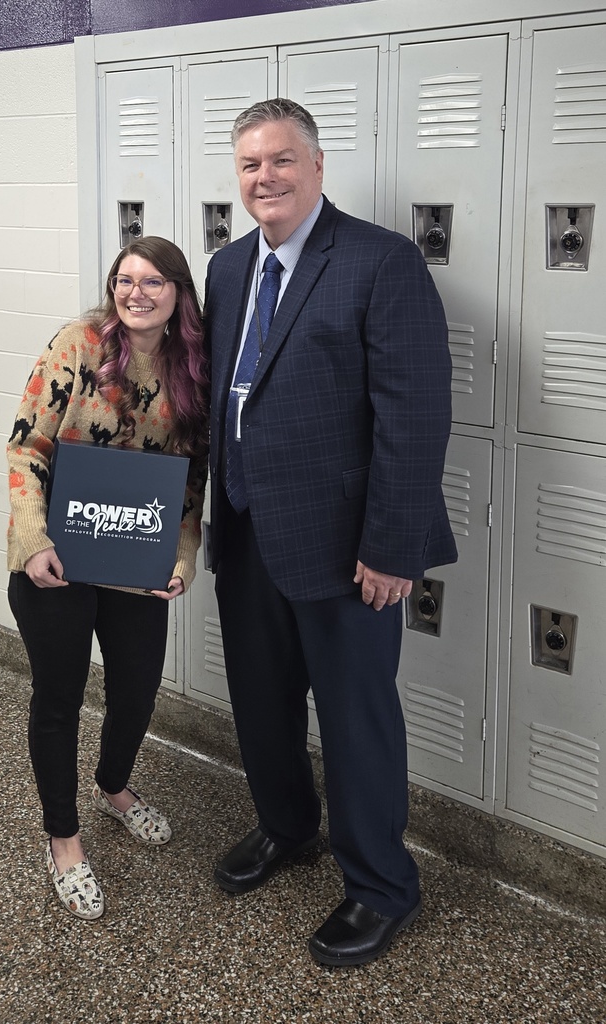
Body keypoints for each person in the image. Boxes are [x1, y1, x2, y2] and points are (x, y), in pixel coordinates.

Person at [203, 98, 457, 966]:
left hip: (347, 547)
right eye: (248, 166)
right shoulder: (230, 267)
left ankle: (382, 887)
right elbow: (222, 400)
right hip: (245, 532)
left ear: (316, 168)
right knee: (262, 708)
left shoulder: (380, 262)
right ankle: (287, 829)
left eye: (279, 161)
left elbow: (414, 418)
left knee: (357, 722)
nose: (262, 178)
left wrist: (393, 546)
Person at [6, 236, 209, 920]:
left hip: (133, 563)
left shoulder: (193, 368)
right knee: (59, 698)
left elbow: (190, 483)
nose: (135, 293)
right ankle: (63, 840)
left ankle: (114, 786)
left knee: (135, 691)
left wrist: (180, 557)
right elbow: (26, 443)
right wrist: (32, 538)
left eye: (153, 282)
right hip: (56, 558)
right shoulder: (81, 343)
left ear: (178, 293)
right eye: (125, 280)